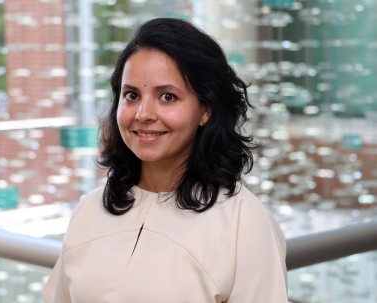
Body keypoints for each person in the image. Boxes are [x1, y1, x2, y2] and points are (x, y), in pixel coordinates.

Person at [42, 18, 287, 303]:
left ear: (206, 109)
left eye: (167, 97)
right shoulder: (89, 210)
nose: (143, 113)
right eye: (131, 95)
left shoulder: (244, 223)